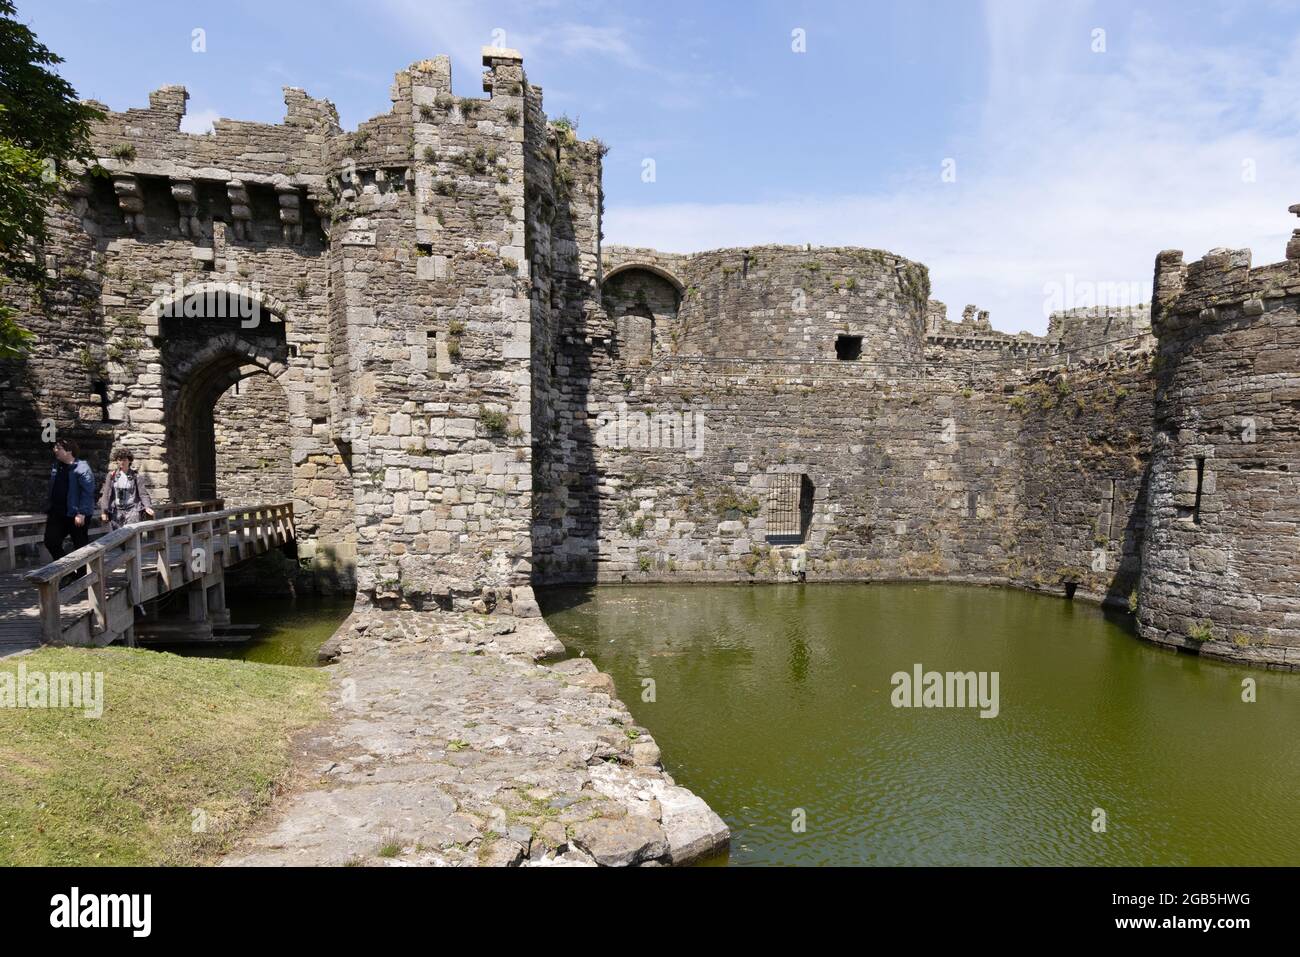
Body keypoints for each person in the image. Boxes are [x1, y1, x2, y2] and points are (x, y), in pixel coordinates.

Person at [44, 437, 96, 572]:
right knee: (51, 541)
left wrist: (82, 512)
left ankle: (82, 577)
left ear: (68, 451)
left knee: (80, 547)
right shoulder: (56, 466)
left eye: (58, 448)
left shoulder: (82, 468)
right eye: (55, 447)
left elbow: (87, 492)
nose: (55, 450)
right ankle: (67, 572)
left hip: (76, 514)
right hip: (57, 512)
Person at [99, 448, 155, 530]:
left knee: (131, 535)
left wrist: (147, 506)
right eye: (119, 460)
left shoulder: (136, 476)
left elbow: (143, 494)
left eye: (124, 460)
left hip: (132, 511)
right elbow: (106, 494)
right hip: (116, 512)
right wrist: (104, 511)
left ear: (129, 461)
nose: (122, 462)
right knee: (117, 538)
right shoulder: (111, 475)